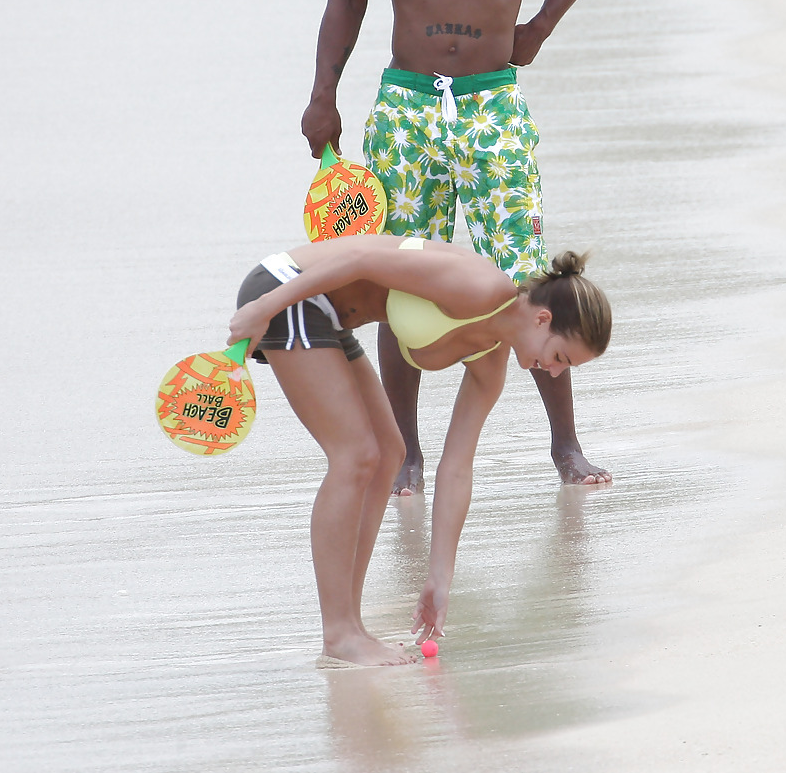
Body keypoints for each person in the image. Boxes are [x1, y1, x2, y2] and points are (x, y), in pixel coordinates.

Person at [301, 0, 609, 495]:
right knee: (403, 279)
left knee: (529, 274)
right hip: (407, 106)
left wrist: (537, 29)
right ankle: (405, 452)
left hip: (493, 102)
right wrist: (323, 93)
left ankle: (565, 445)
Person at [227, 234, 611, 665]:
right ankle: (338, 634)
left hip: (329, 316)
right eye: (561, 356)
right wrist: (264, 308)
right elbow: (359, 257)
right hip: (289, 289)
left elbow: (457, 468)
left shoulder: (490, 359)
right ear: (542, 319)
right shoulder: (482, 288)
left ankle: (350, 626)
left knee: (388, 453)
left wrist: (439, 577)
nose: (555, 372)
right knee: (354, 456)